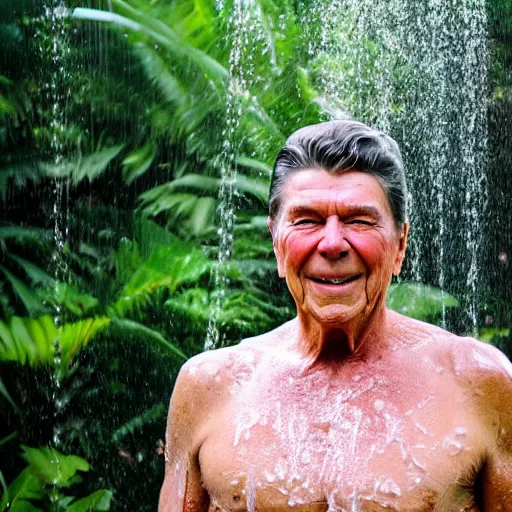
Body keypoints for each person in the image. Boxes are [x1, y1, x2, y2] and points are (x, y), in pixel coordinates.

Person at [159, 120, 512, 511]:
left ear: (400, 245)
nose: (331, 243)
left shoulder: (478, 384)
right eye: (307, 220)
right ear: (276, 243)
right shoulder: (210, 387)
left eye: (358, 220)